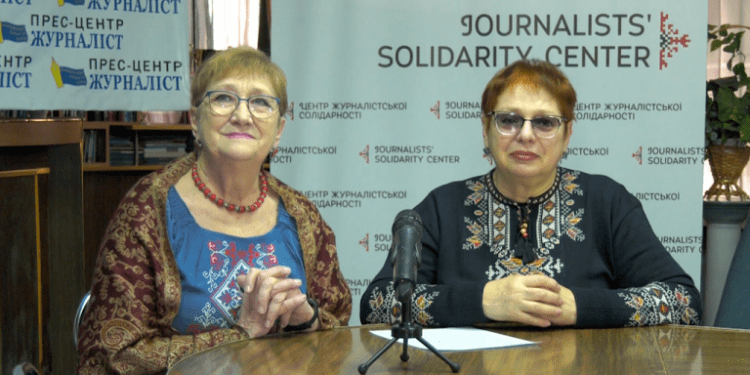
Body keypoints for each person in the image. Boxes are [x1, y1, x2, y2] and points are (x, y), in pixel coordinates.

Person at [360, 59, 701, 328]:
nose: (525, 135)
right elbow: (376, 303)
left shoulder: (606, 202)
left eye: (544, 123)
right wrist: (483, 301)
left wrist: (578, 307)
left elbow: (684, 301)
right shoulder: (442, 207)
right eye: (508, 120)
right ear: (485, 129)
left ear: (567, 135)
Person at [77, 47, 352, 374]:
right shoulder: (148, 208)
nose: (242, 115)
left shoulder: (302, 214)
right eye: (224, 98)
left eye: (261, 102)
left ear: (278, 131)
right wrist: (240, 334)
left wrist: (305, 320)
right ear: (195, 120)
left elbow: (339, 327)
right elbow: (111, 356)